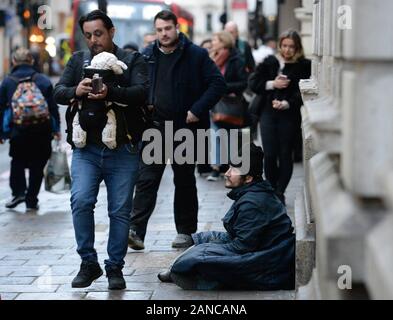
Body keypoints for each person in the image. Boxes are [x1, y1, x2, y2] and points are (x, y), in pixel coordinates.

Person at [53, 10, 149, 290]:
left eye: (99, 34)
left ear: (111, 32)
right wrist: (76, 91)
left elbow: (141, 93)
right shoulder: (78, 61)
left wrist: (111, 92)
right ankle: (88, 263)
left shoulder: (132, 60)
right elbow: (58, 91)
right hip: (86, 150)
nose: (93, 40)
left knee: (119, 211)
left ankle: (115, 268)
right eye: (88, 35)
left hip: (124, 149)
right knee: (81, 201)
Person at [128, 10, 226, 251]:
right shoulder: (147, 54)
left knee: (183, 180)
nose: (163, 33)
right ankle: (135, 231)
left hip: (186, 128)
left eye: (167, 29)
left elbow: (217, 84)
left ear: (177, 28)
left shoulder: (196, 55)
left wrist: (197, 109)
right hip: (156, 127)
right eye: (159, 29)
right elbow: (137, 85)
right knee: (147, 180)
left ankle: (185, 232)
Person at [157, 143, 295, 290]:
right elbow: (237, 237)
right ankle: (183, 268)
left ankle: (195, 275)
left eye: (233, 169)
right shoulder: (250, 194)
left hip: (268, 262)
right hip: (265, 252)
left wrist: (205, 248)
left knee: (201, 254)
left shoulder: (253, 203)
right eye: (229, 167)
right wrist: (200, 239)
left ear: (248, 178)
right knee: (202, 242)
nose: (227, 173)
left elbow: (241, 247)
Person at [248, 30, 311, 205]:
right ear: (279, 44)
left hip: (288, 115)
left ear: (297, 47)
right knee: (269, 154)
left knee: (285, 154)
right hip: (268, 112)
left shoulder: (304, 65)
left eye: (291, 46)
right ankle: (271, 187)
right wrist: (272, 84)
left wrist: (287, 103)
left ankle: (280, 192)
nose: (287, 49)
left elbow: (303, 92)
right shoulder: (270, 61)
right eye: (284, 45)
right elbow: (253, 83)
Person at [0, 48, 61, 212]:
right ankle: (31, 198)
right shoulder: (43, 80)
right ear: (32, 61)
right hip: (42, 130)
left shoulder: (7, 82)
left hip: (18, 130)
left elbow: (1, 109)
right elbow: (52, 107)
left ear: (14, 62)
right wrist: (56, 130)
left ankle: (19, 192)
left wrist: (2, 133)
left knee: (17, 161)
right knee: (37, 163)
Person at [207, 31, 248, 182]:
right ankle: (216, 169)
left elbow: (243, 83)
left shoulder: (236, 60)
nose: (212, 42)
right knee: (215, 136)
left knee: (230, 137)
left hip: (230, 104)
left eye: (215, 39)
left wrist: (223, 87)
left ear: (223, 42)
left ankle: (233, 168)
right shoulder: (212, 58)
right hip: (214, 104)